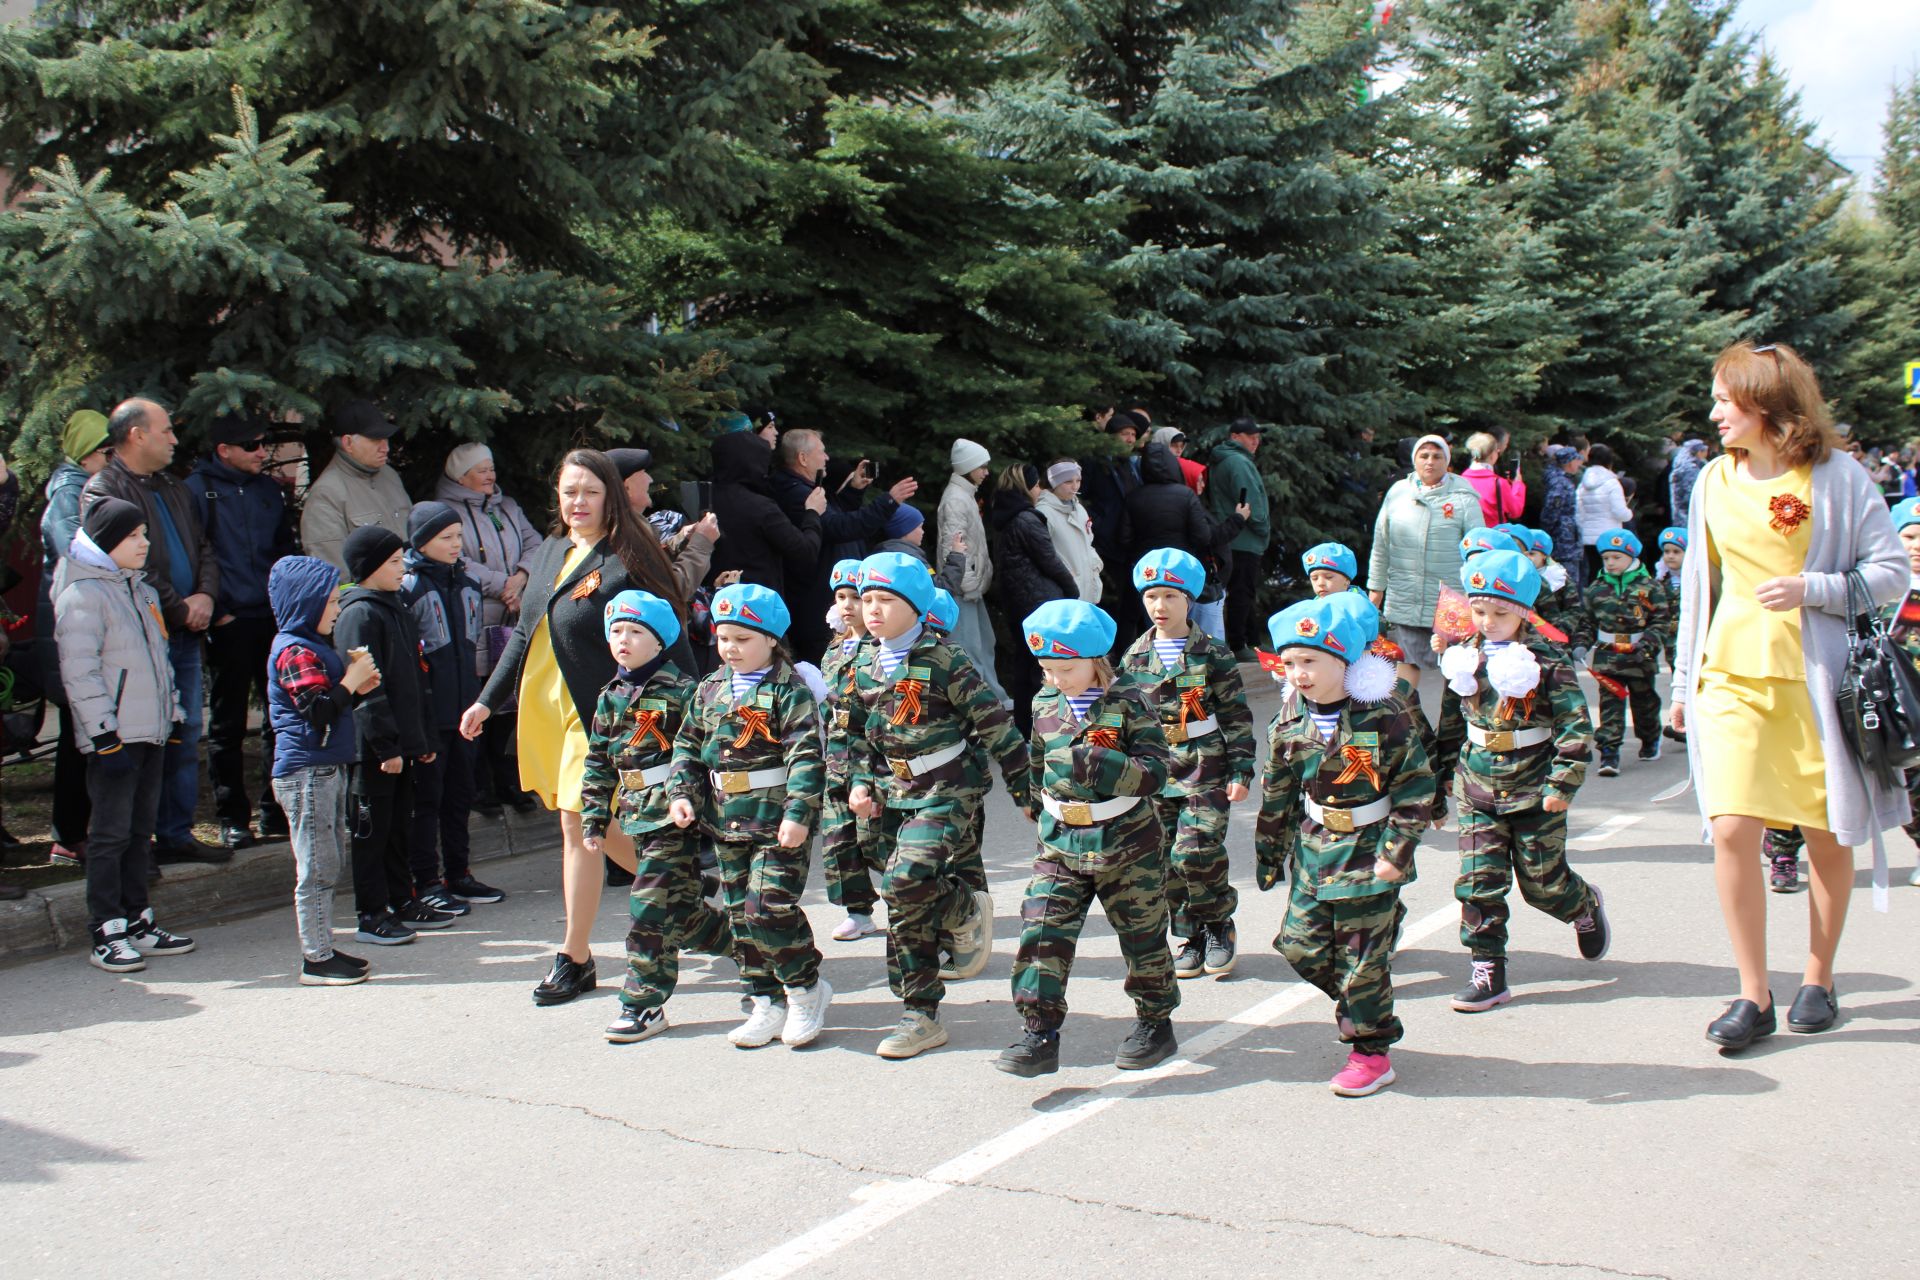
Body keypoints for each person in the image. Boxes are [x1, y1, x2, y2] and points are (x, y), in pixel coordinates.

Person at [1672, 341, 1909, 1050]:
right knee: (1733, 830)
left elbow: (1891, 571)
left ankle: (1819, 977)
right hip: (1732, 675)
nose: (1713, 413)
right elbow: (1697, 593)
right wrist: (1684, 683)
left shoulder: (1838, 477)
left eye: (1725, 400)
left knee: (1824, 831)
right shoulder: (1713, 479)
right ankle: (1752, 993)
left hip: (1817, 681)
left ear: (1768, 406)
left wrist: (1816, 590)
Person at [459, 449, 694, 1006]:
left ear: (611, 494)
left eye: (589, 491)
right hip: (547, 713)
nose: (578, 502)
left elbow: (673, 638)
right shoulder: (551, 551)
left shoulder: (631, 558)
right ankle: (681, 895)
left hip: (601, 717)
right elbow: (523, 633)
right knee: (595, 826)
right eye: (569, 492)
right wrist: (488, 702)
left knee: (578, 827)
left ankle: (575, 956)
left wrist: (692, 715)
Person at [1255, 592, 1434, 1097]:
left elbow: (1416, 787)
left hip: (1369, 854)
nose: (1298, 673)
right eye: (1290, 662)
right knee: (1299, 946)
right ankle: (1364, 999)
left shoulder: (1385, 715)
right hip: (1314, 851)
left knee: (1360, 965)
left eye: (1310, 661)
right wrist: (1269, 855)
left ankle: (1372, 1051)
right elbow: (1278, 791)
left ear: (1345, 661)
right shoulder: (1289, 721)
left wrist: (1397, 853)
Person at [845, 551, 1023, 1058]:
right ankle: (923, 1009)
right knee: (901, 893)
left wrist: (1026, 791)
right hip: (888, 792)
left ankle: (918, 1007)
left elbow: (996, 728)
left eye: (885, 600)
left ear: (917, 606)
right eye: (867, 600)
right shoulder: (859, 661)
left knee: (906, 881)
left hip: (947, 789)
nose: (872, 610)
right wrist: (858, 781)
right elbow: (850, 734)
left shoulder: (946, 660)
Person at [993, 599, 1177, 1077]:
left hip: (1126, 842)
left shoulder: (1132, 701)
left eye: (1066, 668)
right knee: (1040, 932)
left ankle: (1155, 1021)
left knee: (1142, 937)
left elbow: (1157, 773)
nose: (1056, 679)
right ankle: (1039, 1032)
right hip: (1060, 842)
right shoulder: (1044, 701)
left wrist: (1105, 765)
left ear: (1096, 660)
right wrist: (1034, 799)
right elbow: (1038, 758)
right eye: (1047, 669)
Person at [1434, 550, 1609, 1013]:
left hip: (1534, 788)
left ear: (1522, 612)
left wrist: (1561, 784)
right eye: (1479, 611)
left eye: (1499, 613)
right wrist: (1437, 788)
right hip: (1476, 787)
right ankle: (1487, 968)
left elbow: (1576, 725)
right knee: (1477, 883)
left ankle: (1583, 905)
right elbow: (1450, 725)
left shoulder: (1546, 660)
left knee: (1542, 885)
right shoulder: (1462, 659)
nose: (1487, 621)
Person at [665, 583, 832, 1050]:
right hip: (726, 821)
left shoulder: (789, 691)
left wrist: (800, 813)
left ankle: (805, 990)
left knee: (768, 906)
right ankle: (766, 1000)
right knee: (741, 915)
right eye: (723, 638)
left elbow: (806, 757)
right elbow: (686, 746)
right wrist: (682, 792)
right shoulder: (710, 688)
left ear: (771, 639)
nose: (731, 648)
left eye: (743, 638)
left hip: (777, 819)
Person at [581, 590, 736, 1044]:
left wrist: (703, 809)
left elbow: (705, 752)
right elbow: (598, 761)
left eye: (636, 631)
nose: (623, 640)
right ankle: (754, 948)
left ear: (660, 641)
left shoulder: (685, 692)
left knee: (647, 908)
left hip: (674, 819)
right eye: (616, 631)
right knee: (682, 915)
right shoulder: (611, 696)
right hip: (635, 818)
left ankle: (642, 1003)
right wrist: (593, 817)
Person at [83, 398, 227, 865]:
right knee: (145, 740)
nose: (174, 439)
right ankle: (134, 850)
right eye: (165, 430)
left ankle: (175, 833)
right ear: (136, 435)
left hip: (185, 628)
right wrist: (179, 606)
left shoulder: (174, 486)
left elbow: (204, 547)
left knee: (185, 733)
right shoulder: (104, 489)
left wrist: (204, 596)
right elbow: (126, 563)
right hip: (143, 635)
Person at [56, 497, 196, 972]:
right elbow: (81, 674)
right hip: (115, 736)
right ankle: (106, 928)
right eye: (134, 536)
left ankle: (138, 918)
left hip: (151, 731)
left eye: (144, 534)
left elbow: (161, 663)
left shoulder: (142, 592)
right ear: (107, 542)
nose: (145, 543)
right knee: (110, 834)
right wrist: (102, 736)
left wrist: (173, 716)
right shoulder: (83, 595)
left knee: (141, 832)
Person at [1117, 549, 1254, 979]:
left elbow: (1235, 714)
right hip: (1156, 769)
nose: (1160, 606)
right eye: (1152, 596)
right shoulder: (1134, 656)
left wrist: (1241, 769)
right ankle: (1190, 934)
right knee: (1164, 857)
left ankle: (1218, 924)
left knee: (1195, 849)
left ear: (1189, 600)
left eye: (1170, 597)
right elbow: (1122, 720)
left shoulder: (1212, 653)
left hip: (1204, 762)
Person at [266, 555, 382, 986]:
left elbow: (328, 705)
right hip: (306, 772)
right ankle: (315, 958)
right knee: (316, 867)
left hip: (324, 767)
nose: (337, 609)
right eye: (331, 601)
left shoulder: (309, 646)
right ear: (306, 603)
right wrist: (350, 682)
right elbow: (315, 712)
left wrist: (354, 686)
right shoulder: (294, 650)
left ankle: (325, 947)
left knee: (329, 861)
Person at [335, 526, 453, 945]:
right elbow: (368, 689)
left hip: (403, 745)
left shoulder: (394, 606)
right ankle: (371, 912)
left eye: (402, 561)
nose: (402, 570)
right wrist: (386, 745)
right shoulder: (359, 614)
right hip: (375, 750)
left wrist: (419, 742)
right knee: (373, 831)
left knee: (399, 825)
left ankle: (403, 899)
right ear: (368, 569)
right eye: (393, 563)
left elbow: (413, 681)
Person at [189, 412, 297, 850]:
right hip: (230, 621)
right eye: (251, 446)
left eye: (263, 443)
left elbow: (284, 551)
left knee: (278, 720)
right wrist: (219, 611)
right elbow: (196, 552)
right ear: (224, 450)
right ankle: (233, 818)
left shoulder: (268, 491)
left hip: (270, 619)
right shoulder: (197, 491)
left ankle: (276, 812)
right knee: (228, 724)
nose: (261, 452)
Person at [399, 502, 503, 912]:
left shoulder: (468, 585)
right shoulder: (409, 587)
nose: (456, 545)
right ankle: (425, 879)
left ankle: (458, 873)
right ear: (421, 541)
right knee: (428, 800)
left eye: (459, 536)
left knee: (460, 794)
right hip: (429, 713)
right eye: (446, 538)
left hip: (464, 709)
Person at [435, 441, 545, 815]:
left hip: (515, 612)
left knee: (510, 704)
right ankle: (482, 787)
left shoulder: (508, 507)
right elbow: (458, 560)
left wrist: (523, 577)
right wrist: (503, 584)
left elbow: (534, 543)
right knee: (482, 699)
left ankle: (507, 780)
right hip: (478, 616)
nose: (490, 476)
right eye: (481, 469)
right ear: (460, 475)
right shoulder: (448, 512)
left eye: (491, 468)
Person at [37, 409, 111, 867]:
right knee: (77, 736)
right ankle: (68, 834)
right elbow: (76, 552)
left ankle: (76, 829)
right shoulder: (69, 493)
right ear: (87, 454)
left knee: (84, 734)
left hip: (82, 626)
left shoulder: (83, 487)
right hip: (72, 630)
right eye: (107, 451)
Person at [768, 429, 916, 657]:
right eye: (822, 452)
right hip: (816, 598)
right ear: (803, 458)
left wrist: (854, 490)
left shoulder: (804, 488)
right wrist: (889, 501)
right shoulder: (795, 493)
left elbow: (834, 517)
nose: (826, 458)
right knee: (825, 661)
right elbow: (839, 527)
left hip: (826, 592)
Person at [1366, 433, 1486, 679]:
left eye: (1437, 456)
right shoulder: (1398, 492)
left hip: (1449, 601)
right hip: (1406, 595)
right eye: (1424, 456)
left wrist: (1477, 593)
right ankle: (1407, 717)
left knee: (1457, 671)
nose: (1430, 462)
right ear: (1415, 460)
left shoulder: (1464, 497)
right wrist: (1376, 587)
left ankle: (1454, 718)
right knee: (1406, 664)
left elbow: (1478, 550)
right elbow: (1381, 543)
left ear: (1447, 461)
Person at [817, 560, 884, 941]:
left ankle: (927, 901)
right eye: (841, 597)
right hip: (837, 761)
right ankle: (858, 910)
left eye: (856, 597)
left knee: (877, 838)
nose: (848, 605)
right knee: (838, 839)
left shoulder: (882, 650)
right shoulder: (834, 651)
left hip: (873, 758)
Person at [987, 463, 1078, 735]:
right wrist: (1071, 590)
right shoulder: (1027, 519)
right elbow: (1049, 560)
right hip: (1039, 602)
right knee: (1045, 669)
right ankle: (1045, 728)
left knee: (1025, 666)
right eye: (1036, 485)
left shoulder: (1002, 517)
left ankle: (1025, 728)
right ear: (1025, 488)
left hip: (1017, 603)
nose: (1039, 490)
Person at [1125, 441, 1246, 643]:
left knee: (1159, 627)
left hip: (1150, 572)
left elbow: (1124, 539)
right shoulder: (1185, 495)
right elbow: (1203, 537)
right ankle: (1197, 671)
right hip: (1181, 569)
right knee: (1188, 627)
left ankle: (1163, 670)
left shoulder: (1134, 497)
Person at [1579, 529, 1668, 776]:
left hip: (1640, 657)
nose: (1610, 563)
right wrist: (1581, 643)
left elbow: (1660, 621)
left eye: (1616, 558)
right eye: (1606, 558)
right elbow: (1586, 622)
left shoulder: (1650, 587)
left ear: (1631, 557)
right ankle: (1609, 753)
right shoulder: (1596, 589)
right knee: (1610, 706)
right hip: (1608, 657)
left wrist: (1648, 645)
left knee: (1645, 703)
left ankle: (1650, 740)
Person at [299, 398, 412, 571]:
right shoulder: (326, 493)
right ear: (348, 443)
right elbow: (334, 572)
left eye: (386, 439)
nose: (386, 448)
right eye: (376, 440)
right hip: (371, 597)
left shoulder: (389, 475)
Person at [708, 428, 824, 597]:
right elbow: (805, 551)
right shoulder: (760, 507)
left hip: (714, 598)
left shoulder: (704, 498)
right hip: (756, 602)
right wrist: (813, 512)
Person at [936, 438, 1009, 704]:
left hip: (970, 587)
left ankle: (992, 697)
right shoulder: (956, 499)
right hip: (963, 590)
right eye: (982, 466)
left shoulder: (964, 495)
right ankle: (980, 703)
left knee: (984, 643)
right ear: (968, 466)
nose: (986, 472)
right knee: (970, 648)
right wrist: (967, 584)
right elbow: (951, 547)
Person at [1206, 418, 1273, 663]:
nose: (1256, 441)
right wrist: (1263, 526)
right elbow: (1250, 499)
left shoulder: (1228, 460)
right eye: (1250, 436)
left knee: (1243, 590)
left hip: (1235, 537)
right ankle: (1239, 644)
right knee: (1241, 592)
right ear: (1236, 437)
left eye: (1257, 436)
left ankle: (1251, 641)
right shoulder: (1237, 461)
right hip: (1243, 538)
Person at [1035, 460, 1103, 604]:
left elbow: (1088, 542)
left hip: (1087, 587)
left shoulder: (1079, 509)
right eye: (1067, 482)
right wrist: (1066, 576)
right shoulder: (1044, 512)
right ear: (1054, 483)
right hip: (1065, 591)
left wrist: (1095, 566)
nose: (1075, 486)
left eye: (1078, 480)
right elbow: (1043, 554)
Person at [1575, 443, 1633, 584]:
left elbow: (1578, 512)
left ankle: (1592, 601)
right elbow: (1620, 512)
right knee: (1611, 572)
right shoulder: (1612, 483)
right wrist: (1629, 513)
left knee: (1594, 572)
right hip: (1610, 538)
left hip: (1589, 538)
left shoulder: (1583, 484)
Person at [1540, 445, 1585, 589]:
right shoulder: (1560, 482)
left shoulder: (1560, 480)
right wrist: (1549, 531)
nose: (1579, 464)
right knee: (1568, 582)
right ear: (1569, 462)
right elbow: (1551, 509)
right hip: (1563, 541)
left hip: (1564, 538)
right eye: (1577, 460)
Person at [1460, 430, 1526, 527]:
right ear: (1492, 455)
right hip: (1493, 538)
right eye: (1496, 450)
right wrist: (1517, 484)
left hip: (1469, 537)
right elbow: (1515, 511)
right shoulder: (1498, 483)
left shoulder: (1461, 479)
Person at [1151, 426, 1206, 494]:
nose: (1179, 450)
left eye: (1182, 446)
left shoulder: (1180, 467)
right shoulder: (1148, 468)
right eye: (1174, 445)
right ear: (1161, 444)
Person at [1668, 439, 1709, 528]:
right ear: (1698, 452)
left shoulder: (1681, 466)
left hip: (1679, 512)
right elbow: (1692, 494)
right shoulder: (1690, 469)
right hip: (1688, 515)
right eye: (1704, 451)